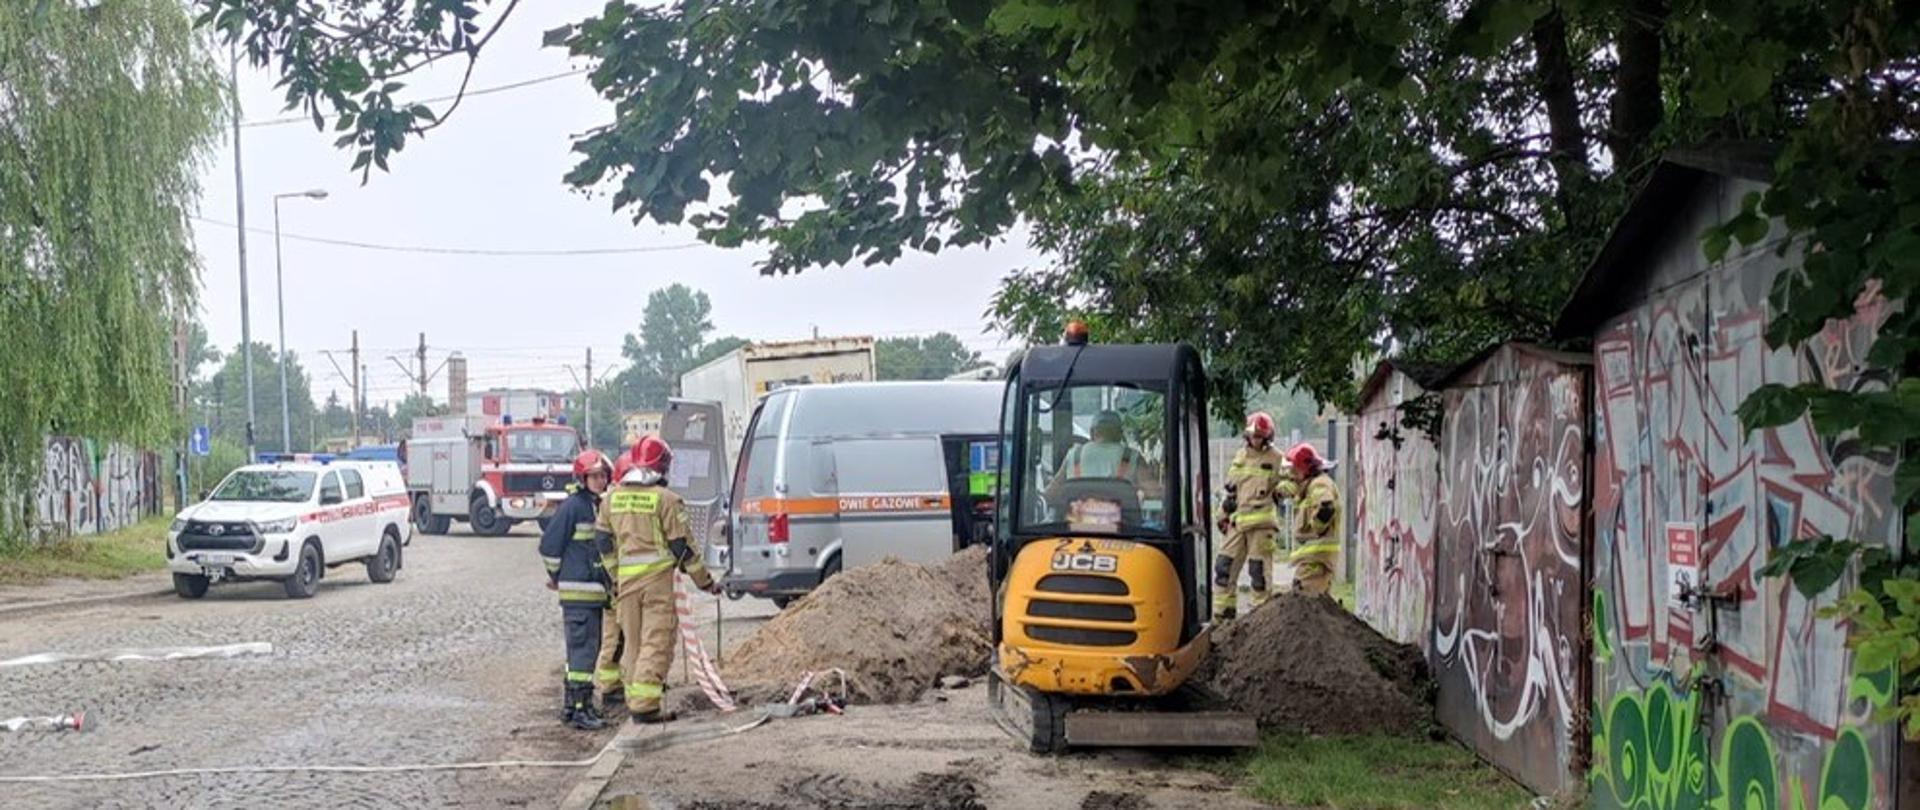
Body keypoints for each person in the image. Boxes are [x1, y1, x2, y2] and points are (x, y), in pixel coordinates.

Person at [594, 434, 722, 723]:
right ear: (664, 466)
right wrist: (706, 582)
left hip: (625, 584)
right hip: (656, 585)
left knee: (634, 643)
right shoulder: (666, 500)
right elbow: (683, 548)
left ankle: (634, 696)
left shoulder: (611, 498)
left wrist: (616, 574)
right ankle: (644, 706)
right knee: (657, 641)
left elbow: (602, 541)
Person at [539, 449, 614, 731]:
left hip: (590, 594)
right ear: (583, 478)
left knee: (581, 653)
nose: (600, 480)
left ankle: (573, 706)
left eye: (603, 475)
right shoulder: (575, 506)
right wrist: (556, 574)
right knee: (583, 653)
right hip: (580, 594)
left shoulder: (594, 505)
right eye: (594, 476)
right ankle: (581, 709)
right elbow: (549, 546)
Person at [1213, 412, 1288, 620]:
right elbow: (1231, 490)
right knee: (1223, 569)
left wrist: (1281, 490)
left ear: (1267, 437)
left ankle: (1259, 624)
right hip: (1238, 522)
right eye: (1253, 436)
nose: (1256, 440)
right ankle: (1223, 621)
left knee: (1259, 576)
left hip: (1261, 525)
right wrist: (1222, 515)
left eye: (1260, 436)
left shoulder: (1277, 458)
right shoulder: (1240, 456)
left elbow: (1292, 481)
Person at [1286, 442, 1343, 596]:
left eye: (1294, 469)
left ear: (1304, 469)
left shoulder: (1319, 484)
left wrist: (1317, 527)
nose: (1292, 474)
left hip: (1317, 558)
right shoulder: (1311, 485)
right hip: (1313, 558)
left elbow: (1326, 508)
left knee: (1306, 602)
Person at [1045, 410, 1145, 496]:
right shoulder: (1133, 456)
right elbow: (1153, 492)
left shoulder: (1074, 455)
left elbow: (1051, 494)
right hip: (1123, 518)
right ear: (1120, 433)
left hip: (1077, 517)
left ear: (1092, 432)